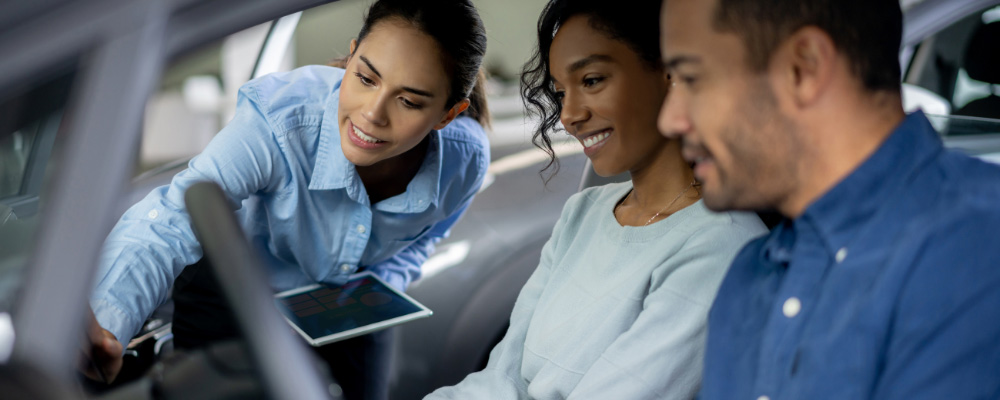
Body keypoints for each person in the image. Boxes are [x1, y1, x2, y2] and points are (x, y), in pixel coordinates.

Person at [84, 1, 490, 399]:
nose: (372, 115)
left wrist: (381, 287)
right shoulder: (278, 122)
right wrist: (105, 327)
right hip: (234, 290)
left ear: (447, 115)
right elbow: (168, 221)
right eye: (366, 79)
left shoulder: (465, 159)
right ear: (351, 58)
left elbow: (425, 237)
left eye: (409, 101)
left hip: (348, 305)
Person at [658, 0, 1000, 398]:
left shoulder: (977, 249)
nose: (669, 119)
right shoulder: (747, 278)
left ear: (804, 68)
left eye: (692, 79)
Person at [426, 1, 765, 398]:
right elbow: (502, 375)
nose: (568, 114)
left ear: (669, 72)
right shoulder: (583, 213)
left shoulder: (721, 247)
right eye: (560, 92)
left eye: (591, 80)